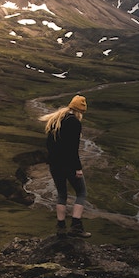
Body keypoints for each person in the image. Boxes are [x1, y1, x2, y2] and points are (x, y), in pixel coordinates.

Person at [40, 94, 91, 238]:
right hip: (68, 165)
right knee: (81, 193)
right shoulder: (74, 122)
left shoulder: (56, 120)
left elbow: (49, 144)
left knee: (62, 194)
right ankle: (76, 226)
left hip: (55, 164)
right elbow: (72, 148)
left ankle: (61, 227)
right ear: (79, 111)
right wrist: (78, 168)